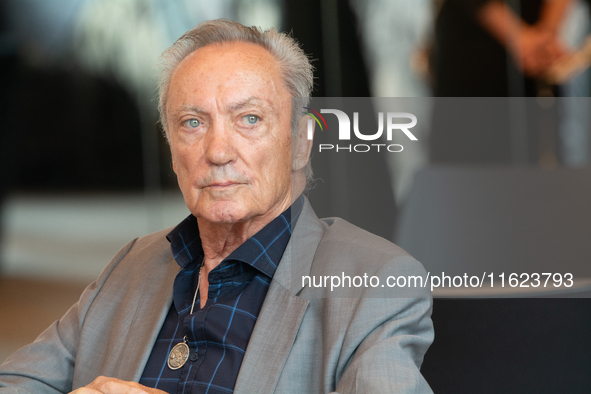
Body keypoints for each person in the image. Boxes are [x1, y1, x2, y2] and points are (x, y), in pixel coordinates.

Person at [0, 19, 433, 394]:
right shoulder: (130, 266)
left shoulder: (375, 282)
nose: (218, 151)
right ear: (172, 152)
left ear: (301, 142)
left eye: (249, 119)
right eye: (193, 123)